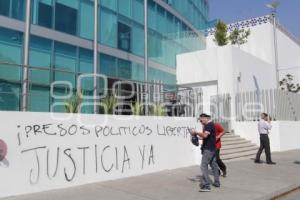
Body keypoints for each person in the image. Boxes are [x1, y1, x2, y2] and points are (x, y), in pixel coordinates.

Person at [192, 113, 220, 192]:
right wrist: (197, 137)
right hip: (212, 148)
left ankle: (206, 185)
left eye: (201, 120)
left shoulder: (208, 125)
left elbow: (205, 136)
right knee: (214, 165)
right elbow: (206, 137)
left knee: (203, 166)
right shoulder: (211, 125)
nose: (200, 122)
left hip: (208, 149)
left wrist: (196, 132)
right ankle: (217, 182)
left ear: (205, 118)